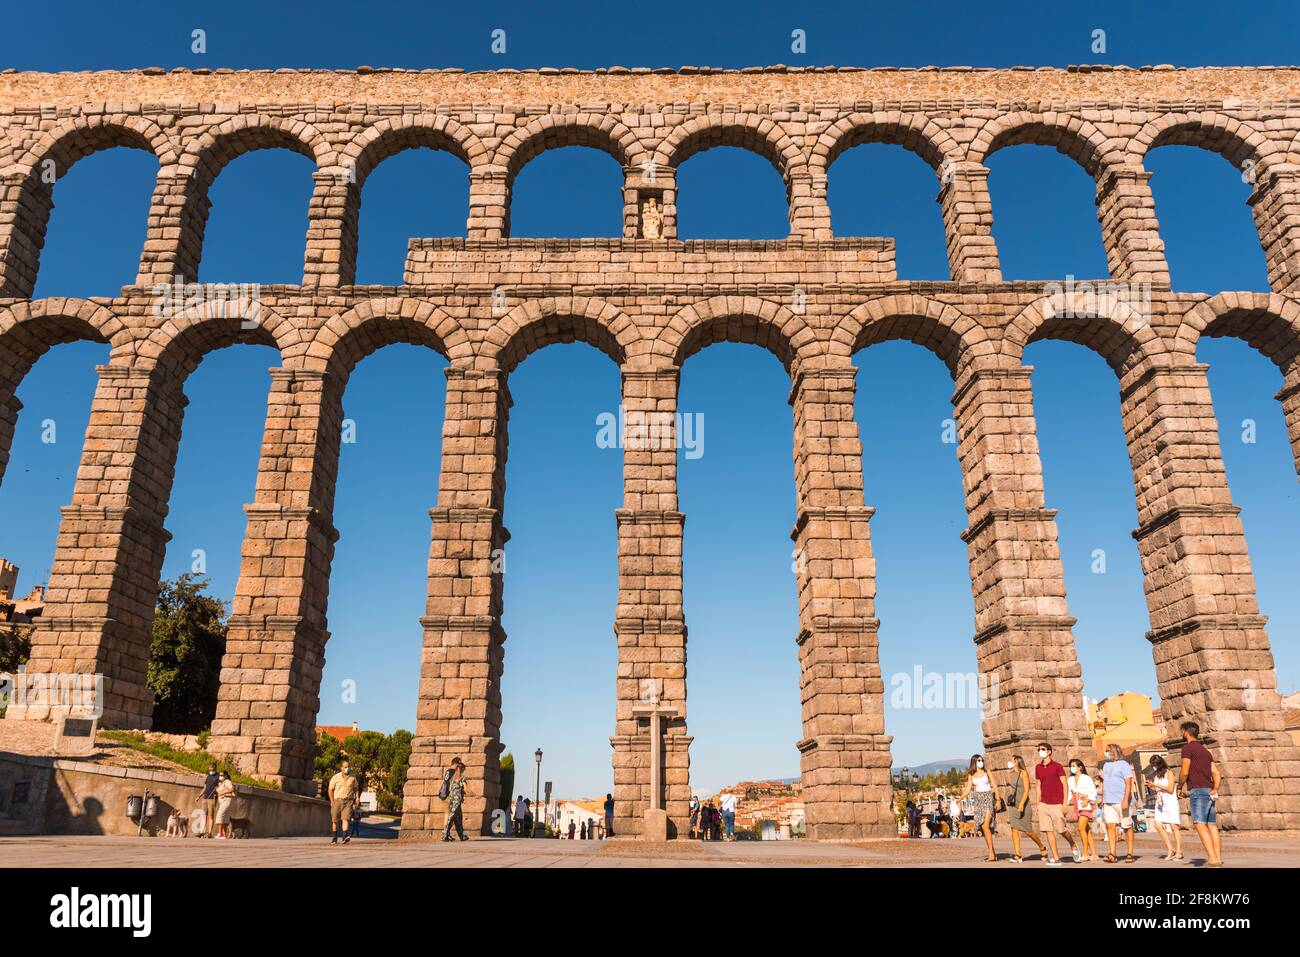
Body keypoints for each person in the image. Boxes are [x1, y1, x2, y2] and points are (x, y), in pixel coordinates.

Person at [1178, 721, 1223, 867]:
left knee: (1199, 824)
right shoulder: (1205, 751)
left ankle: (1211, 858)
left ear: (1185, 732)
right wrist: (1215, 788)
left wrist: (1179, 787)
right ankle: (1218, 857)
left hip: (1197, 791)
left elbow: (1184, 771)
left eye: (1182, 731)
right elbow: (1216, 773)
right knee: (1212, 825)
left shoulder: (1187, 749)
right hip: (1209, 791)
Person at [1034, 742, 1078, 865]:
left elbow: (1065, 785)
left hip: (1057, 803)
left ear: (1049, 752)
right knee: (1048, 831)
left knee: (1061, 830)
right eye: (1038, 749)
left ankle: (1073, 844)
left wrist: (1065, 804)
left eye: (1042, 749)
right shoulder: (1037, 767)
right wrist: (1037, 804)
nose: (1040, 751)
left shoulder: (1057, 766)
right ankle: (1056, 858)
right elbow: (1038, 786)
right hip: (1044, 803)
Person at [1003, 755, 1047, 862]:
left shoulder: (1024, 773)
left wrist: (1022, 804)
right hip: (1013, 805)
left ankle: (1042, 847)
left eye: (1012, 761)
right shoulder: (1012, 773)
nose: (1010, 762)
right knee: (1014, 829)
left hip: (1023, 803)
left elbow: (1027, 790)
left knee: (1028, 831)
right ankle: (1018, 855)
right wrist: (1009, 772)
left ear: (1017, 762)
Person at [1099, 744, 1136, 863]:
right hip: (1109, 800)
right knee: (1110, 826)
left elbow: (1128, 783)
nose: (1105, 752)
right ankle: (1112, 853)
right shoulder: (1106, 765)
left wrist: (1125, 800)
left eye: (1107, 750)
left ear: (1114, 751)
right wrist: (1103, 801)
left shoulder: (1124, 765)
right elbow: (1104, 783)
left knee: (1126, 826)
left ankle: (1130, 853)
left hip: (1121, 800)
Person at [960, 754, 999, 861]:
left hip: (988, 798)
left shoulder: (987, 772)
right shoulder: (971, 774)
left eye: (982, 760)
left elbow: (994, 786)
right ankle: (992, 852)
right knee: (983, 827)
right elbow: (968, 789)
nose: (981, 762)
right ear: (974, 762)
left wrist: (998, 800)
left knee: (986, 825)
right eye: (978, 760)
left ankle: (991, 853)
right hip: (978, 800)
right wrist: (960, 798)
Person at [1147, 754, 1184, 861]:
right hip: (1160, 802)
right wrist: (1152, 786)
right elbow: (1158, 789)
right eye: (1152, 765)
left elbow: (1171, 789)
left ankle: (1179, 851)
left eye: (1154, 764)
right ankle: (1170, 849)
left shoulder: (1169, 773)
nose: (1153, 767)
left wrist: (1156, 785)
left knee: (1174, 826)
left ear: (1160, 764)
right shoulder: (1156, 775)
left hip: (1170, 802)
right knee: (1157, 825)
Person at [1067, 758, 1098, 862]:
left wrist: (1088, 800)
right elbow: (1069, 793)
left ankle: (1085, 853)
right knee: (1086, 830)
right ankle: (1094, 853)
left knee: (1081, 828)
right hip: (1077, 805)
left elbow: (1093, 791)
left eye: (1074, 766)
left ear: (1080, 767)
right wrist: (1066, 804)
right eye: (1071, 766)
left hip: (1086, 804)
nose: (1072, 768)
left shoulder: (1086, 778)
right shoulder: (1070, 779)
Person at [328, 759, 358, 845]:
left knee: (346, 819)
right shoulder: (335, 777)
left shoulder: (353, 777)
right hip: (337, 800)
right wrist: (332, 800)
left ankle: (345, 837)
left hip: (348, 801)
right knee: (335, 820)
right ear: (341, 768)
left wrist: (357, 798)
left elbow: (356, 788)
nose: (347, 769)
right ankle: (334, 838)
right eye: (345, 767)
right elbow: (330, 789)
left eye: (348, 767)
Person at [441, 757, 469, 843]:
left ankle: (461, 835)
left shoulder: (448, 772)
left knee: (457, 816)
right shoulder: (455, 773)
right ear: (457, 764)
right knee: (451, 815)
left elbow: (447, 784)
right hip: (450, 796)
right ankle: (445, 833)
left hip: (446, 795)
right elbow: (464, 788)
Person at [214, 771, 237, 840]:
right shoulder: (222, 783)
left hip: (226, 799)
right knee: (225, 817)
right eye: (220, 775)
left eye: (222, 775)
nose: (220, 776)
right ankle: (224, 834)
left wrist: (223, 792)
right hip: (223, 801)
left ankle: (220, 834)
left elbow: (232, 789)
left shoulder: (227, 781)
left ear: (226, 775)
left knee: (220, 815)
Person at [201, 763, 220, 839]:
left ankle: (209, 833)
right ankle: (202, 832)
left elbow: (220, 786)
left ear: (215, 769)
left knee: (211, 815)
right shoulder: (208, 776)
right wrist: (199, 796)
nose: (211, 771)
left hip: (212, 798)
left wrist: (217, 793)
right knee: (203, 815)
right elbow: (205, 787)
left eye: (212, 770)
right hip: (205, 798)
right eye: (210, 770)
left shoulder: (218, 776)